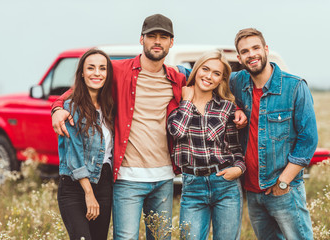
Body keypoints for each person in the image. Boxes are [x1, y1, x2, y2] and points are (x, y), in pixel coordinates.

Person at [52, 14, 186, 240]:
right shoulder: (118, 71)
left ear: (171, 42)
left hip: (163, 177)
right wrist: (57, 107)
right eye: (151, 36)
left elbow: (210, 82)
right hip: (127, 177)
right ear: (141, 39)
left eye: (163, 37)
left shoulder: (177, 78)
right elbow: (82, 87)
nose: (157, 41)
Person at [230, 28, 318, 240]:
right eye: (245, 51)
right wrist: (235, 107)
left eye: (255, 48)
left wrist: (283, 182)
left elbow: (308, 140)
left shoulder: (295, 87)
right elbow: (207, 82)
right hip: (253, 190)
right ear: (239, 57)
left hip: (284, 189)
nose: (251, 54)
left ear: (266, 49)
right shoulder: (238, 82)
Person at [168, 50, 245, 240]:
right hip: (193, 186)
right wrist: (186, 102)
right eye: (205, 69)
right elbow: (176, 131)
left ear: (221, 80)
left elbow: (236, 149)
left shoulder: (227, 107)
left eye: (216, 73)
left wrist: (239, 168)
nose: (209, 76)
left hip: (225, 184)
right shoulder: (177, 102)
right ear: (196, 70)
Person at [57, 49, 114, 240]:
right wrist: (89, 193)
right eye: (91, 68)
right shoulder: (70, 107)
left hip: (104, 183)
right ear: (82, 72)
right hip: (74, 187)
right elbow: (74, 154)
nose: (97, 73)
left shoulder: (110, 107)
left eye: (102, 68)